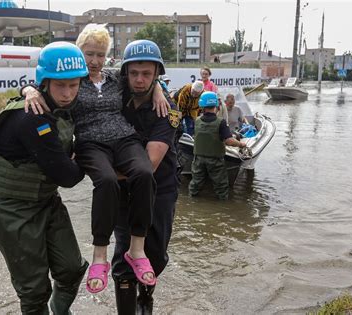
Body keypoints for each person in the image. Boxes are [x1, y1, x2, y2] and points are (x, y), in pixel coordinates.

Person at [20, 25, 170, 294]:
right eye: (89, 54)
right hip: (91, 143)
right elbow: (44, 86)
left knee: (145, 173)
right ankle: (100, 254)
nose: (94, 61)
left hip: (125, 140)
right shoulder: (74, 82)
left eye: (100, 55)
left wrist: (158, 88)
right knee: (107, 180)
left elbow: (144, 79)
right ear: (79, 54)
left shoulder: (116, 80)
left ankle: (137, 250)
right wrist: (28, 90)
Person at [0, 42, 89, 315]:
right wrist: (84, 160)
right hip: (11, 211)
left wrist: (157, 87)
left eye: (73, 85)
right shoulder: (30, 118)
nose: (67, 94)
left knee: (72, 269)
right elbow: (67, 176)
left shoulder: (56, 102)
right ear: (44, 83)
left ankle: (60, 311)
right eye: (60, 86)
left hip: (45, 201)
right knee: (34, 291)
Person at [112, 39, 180, 315]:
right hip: (121, 190)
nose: (139, 80)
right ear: (125, 73)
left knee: (156, 254)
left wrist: (104, 171)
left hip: (160, 190)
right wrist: (29, 88)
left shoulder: (169, 110)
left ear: (156, 75)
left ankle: (146, 296)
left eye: (147, 74)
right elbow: (70, 87)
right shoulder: (114, 98)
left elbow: (149, 164)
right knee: (123, 256)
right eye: (134, 73)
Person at [188, 91, 246, 200]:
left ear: (202, 106)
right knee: (221, 187)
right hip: (215, 160)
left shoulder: (197, 121)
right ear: (217, 106)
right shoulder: (221, 122)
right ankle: (222, 207)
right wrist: (241, 144)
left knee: (195, 183)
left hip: (198, 159)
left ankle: (192, 201)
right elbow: (229, 141)